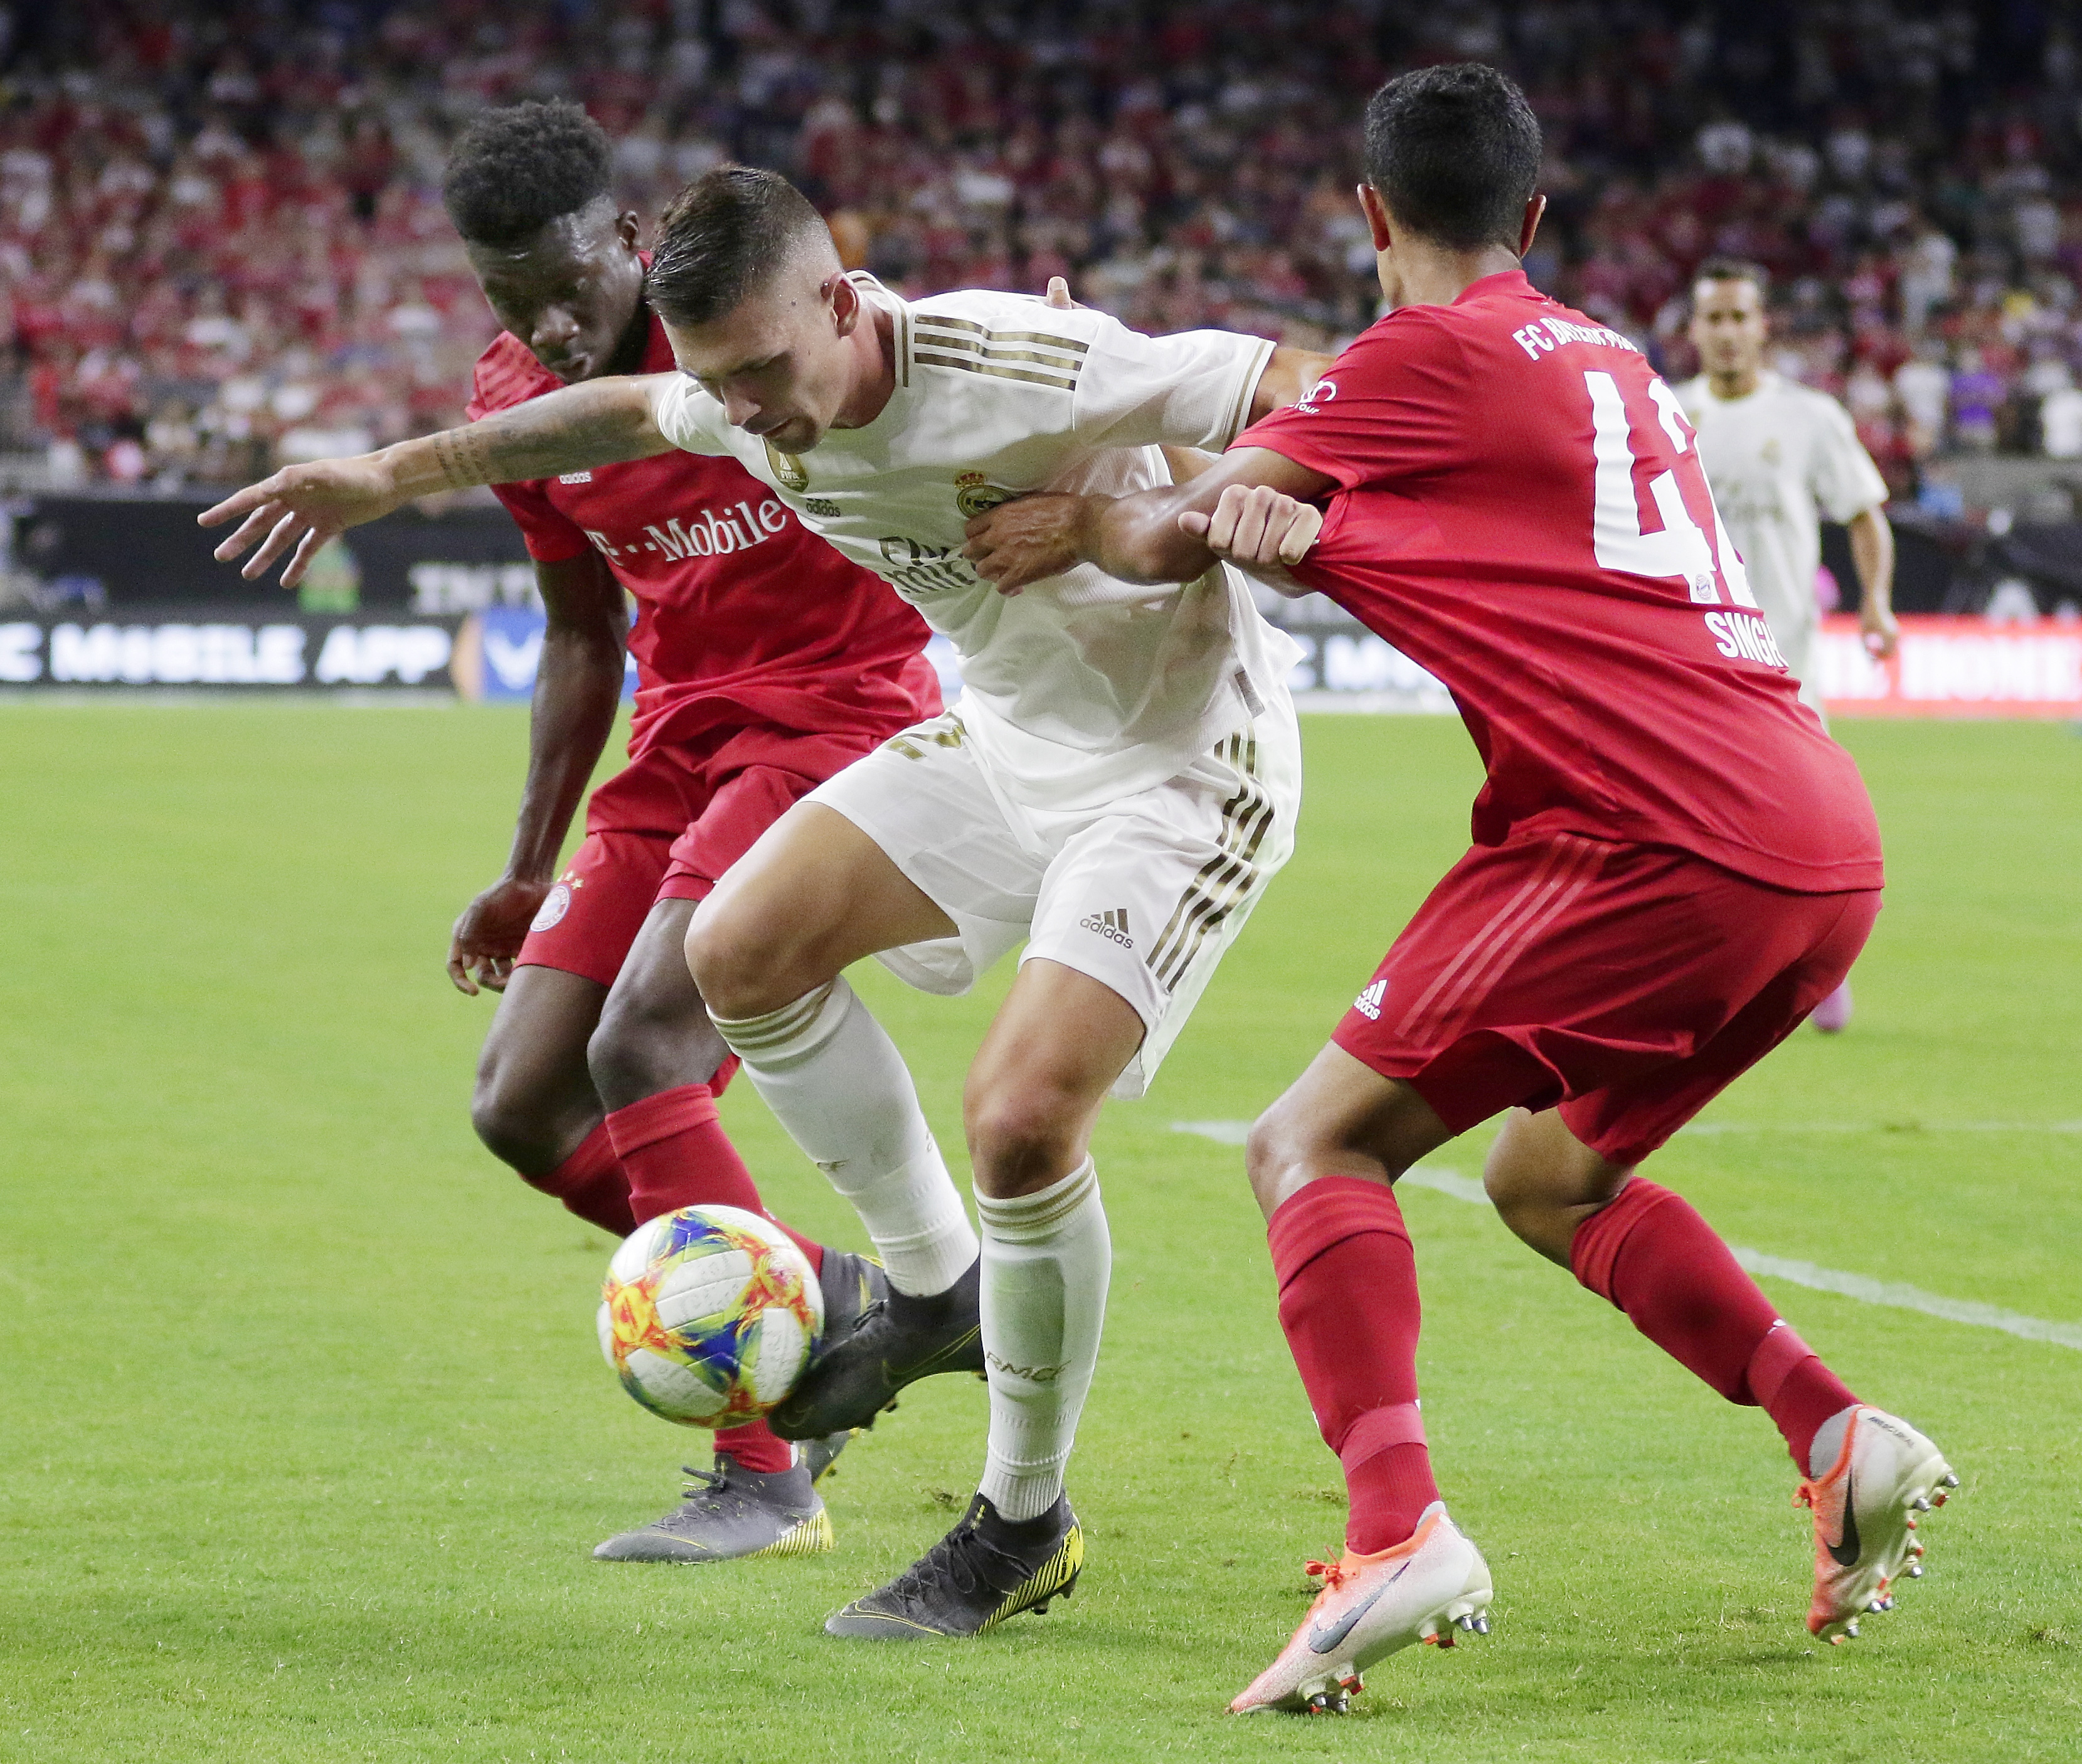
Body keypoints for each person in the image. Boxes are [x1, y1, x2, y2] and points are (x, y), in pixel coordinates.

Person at [199, 163, 1330, 1642]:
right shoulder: (727, 389)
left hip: (1176, 767)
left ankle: (1018, 1519)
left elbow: (1305, 386)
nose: (744, 414)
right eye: (717, 383)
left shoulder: (1016, 364)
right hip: (1004, 742)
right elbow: (612, 413)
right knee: (741, 951)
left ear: (844, 303)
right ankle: (936, 1288)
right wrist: (382, 475)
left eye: (764, 374)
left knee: (1019, 1119)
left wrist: (1142, 520)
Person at [964, 62, 1955, 1714]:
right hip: (1811, 835)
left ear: (1367, 216)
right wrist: (1311, 538)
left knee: (1308, 1141)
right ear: (1533, 217)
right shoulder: (1613, 364)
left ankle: (1390, 1530)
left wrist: (1083, 487)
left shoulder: (1414, 358)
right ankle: (1833, 1429)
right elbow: (1509, 568)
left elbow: (1163, 537)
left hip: (1646, 835)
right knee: (1545, 1179)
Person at [437, 103, 943, 1565]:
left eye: (567, 274)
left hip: (839, 720)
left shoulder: (743, 337)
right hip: (682, 741)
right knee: (520, 1103)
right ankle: (829, 1298)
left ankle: (765, 1465)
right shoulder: (516, 401)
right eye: (502, 291)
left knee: (644, 1038)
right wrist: (530, 865)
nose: (542, 314)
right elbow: (580, 631)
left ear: (635, 242)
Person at [1681, 258, 1898, 1032]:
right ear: (1694, 329)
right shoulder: (1666, 415)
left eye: (1741, 317)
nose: (1729, 333)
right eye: (1715, 319)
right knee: (1692, 833)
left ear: (1762, 326)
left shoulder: (1809, 417)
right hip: (1692, 664)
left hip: (1784, 664)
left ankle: (1819, 968)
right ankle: (1719, 979)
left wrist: (1874, 603)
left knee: (1813, 832)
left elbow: (1864, 513)